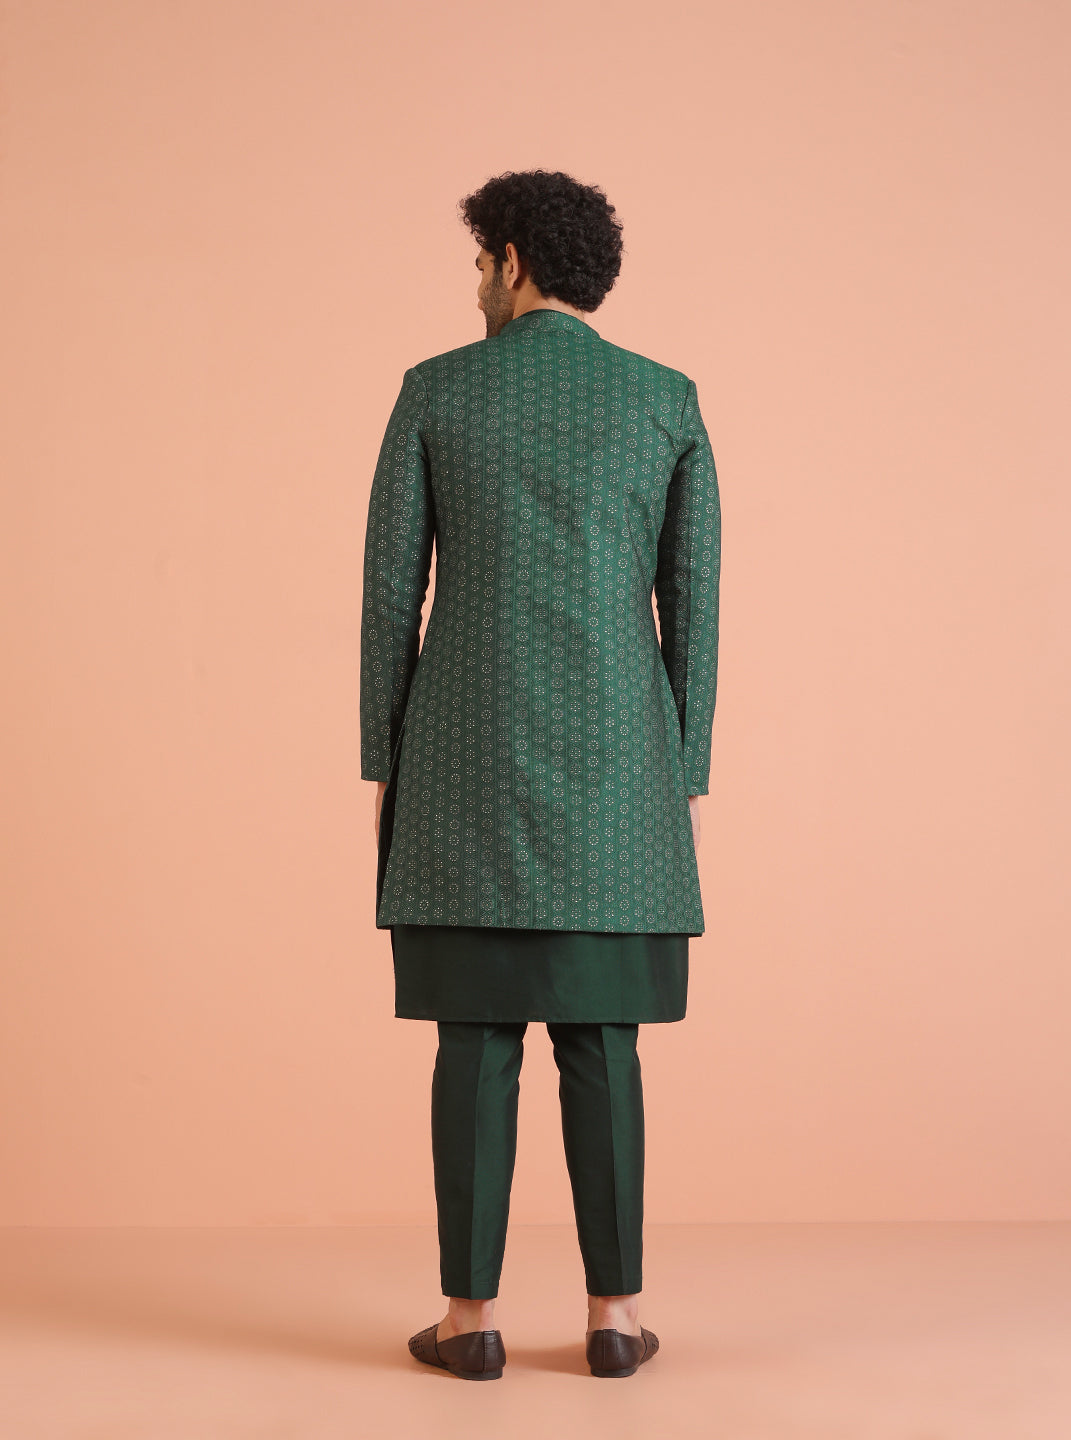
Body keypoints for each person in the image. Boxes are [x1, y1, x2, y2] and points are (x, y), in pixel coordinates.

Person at [359, 168, 721, 1380]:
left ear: (512, 261)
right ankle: (614, 1316)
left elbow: (390, 598)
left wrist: (384, 756)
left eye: (480, 262)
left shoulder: (435, 390)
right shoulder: (665, 399)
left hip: (461, 762)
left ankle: (469, 1323)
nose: (476, 283)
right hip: (623, 778)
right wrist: (682, 769)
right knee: (604, 1043)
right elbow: (694, 604)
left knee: (473, 1041)